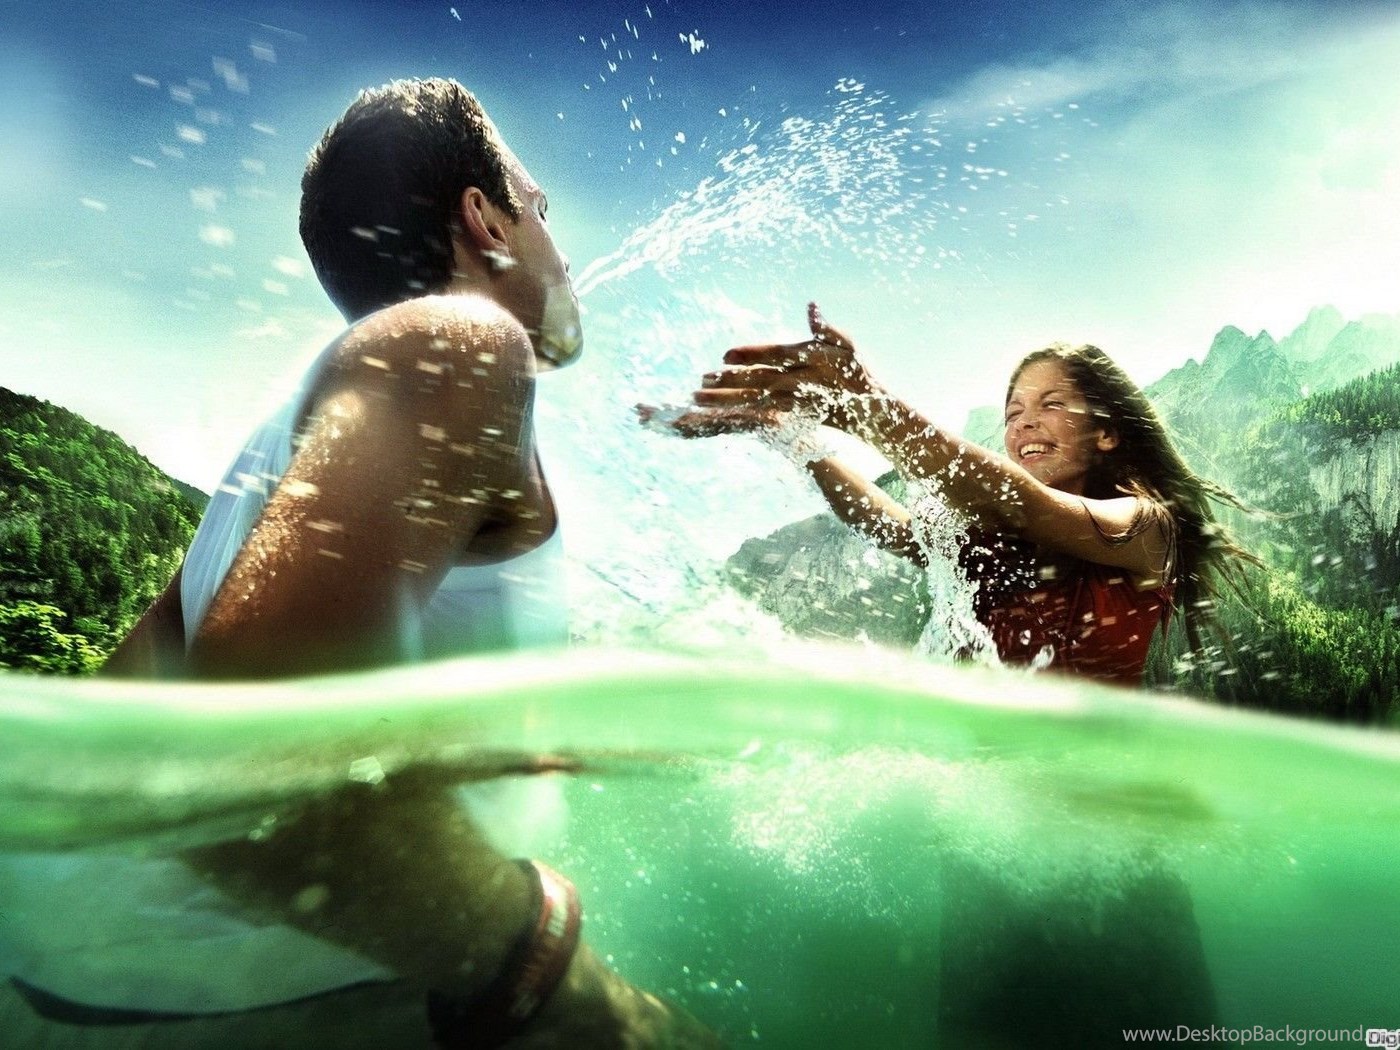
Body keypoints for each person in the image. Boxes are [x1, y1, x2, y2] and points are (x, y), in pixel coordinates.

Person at [1, 78, 716, 1048]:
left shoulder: (279, 462)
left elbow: (109, 753)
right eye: (539, 209)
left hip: (59, 991)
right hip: (257, 1010)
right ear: (485, 221)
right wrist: (546, 966)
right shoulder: (462, 340)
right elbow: (244, 763)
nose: (558, 245)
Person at [651, 302, 1256, 685]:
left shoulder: (1147, 526)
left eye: (1051, 405)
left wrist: (868, 406)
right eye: (1013, 412)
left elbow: (1015, 500)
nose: (1024, 422)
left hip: (1083, 799)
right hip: (982, 785)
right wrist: (796, 440)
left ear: (1106, 433)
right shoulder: (1001, 541)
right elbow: (895, 528)